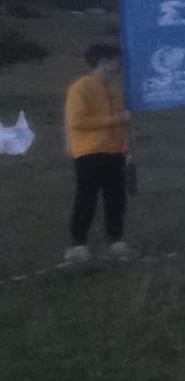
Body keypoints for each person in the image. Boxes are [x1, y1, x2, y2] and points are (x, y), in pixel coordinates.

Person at [62, 44, 133, 264]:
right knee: (87, 199)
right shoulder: (81, 87)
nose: (119, 64)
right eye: (115, 59)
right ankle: (78, 245)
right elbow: (77, 121)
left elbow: (123, 123)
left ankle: (116, 241)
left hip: (115, 152)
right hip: (90, 152)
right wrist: (116, 119)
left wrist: (126, 149)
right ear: (103, 62)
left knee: (116, 198)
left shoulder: (116, 88)